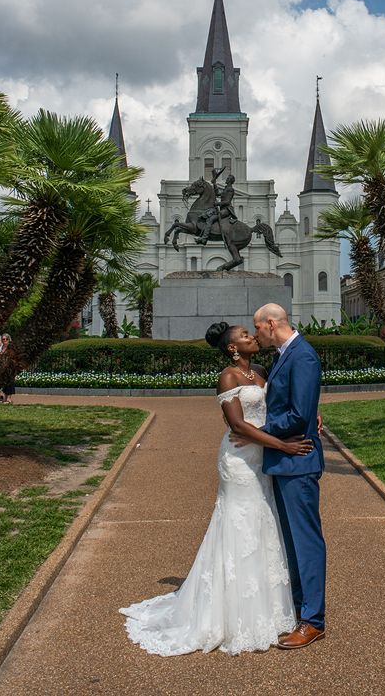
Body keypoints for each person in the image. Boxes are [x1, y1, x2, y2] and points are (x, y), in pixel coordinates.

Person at [120, 321, 312, 656]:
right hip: (239, 460)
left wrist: (313, 412)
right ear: (232, 348)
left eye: (250, 334)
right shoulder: (228, 376)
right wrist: (283, 447)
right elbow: (237, 425)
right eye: (244, 336)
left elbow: (283, 402)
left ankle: (269, 608)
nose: (252, 337)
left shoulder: (262, 371)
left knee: (263, 524)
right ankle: (230, 611)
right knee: (238, 524)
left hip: (261, 456)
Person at [246, 302, 326, 650]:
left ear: (272, 323)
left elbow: (298, 413)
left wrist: (257, 430)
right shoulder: (283, 356)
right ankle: (299, 608)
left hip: (299, 462)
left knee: (305, 542)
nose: (256, 335)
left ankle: (313, 621)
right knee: (291, 542)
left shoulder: (302, 356)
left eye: (258, 328)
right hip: (284, 460)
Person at [196, 168, 237, 245]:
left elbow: (227, 202)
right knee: (207, 214)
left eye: (228, 178)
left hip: (227, 210)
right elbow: (217, 193)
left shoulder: (230, 190)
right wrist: (214, 183)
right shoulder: (226, 189)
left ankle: (204, 238)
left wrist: (218, 204)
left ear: (230, 181)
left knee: (211, 219)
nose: (226, 179)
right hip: (222, 209)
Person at [0, 334, 15, 404]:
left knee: (10, 382)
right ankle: (5, 398)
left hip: (10, 366)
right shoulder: (2, 347)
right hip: (3, 367)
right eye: (3, 339)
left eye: (6, 339)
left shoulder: (11, 347)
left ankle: (9, 398)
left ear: (9, 339)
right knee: (5, 382)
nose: (5, 341)